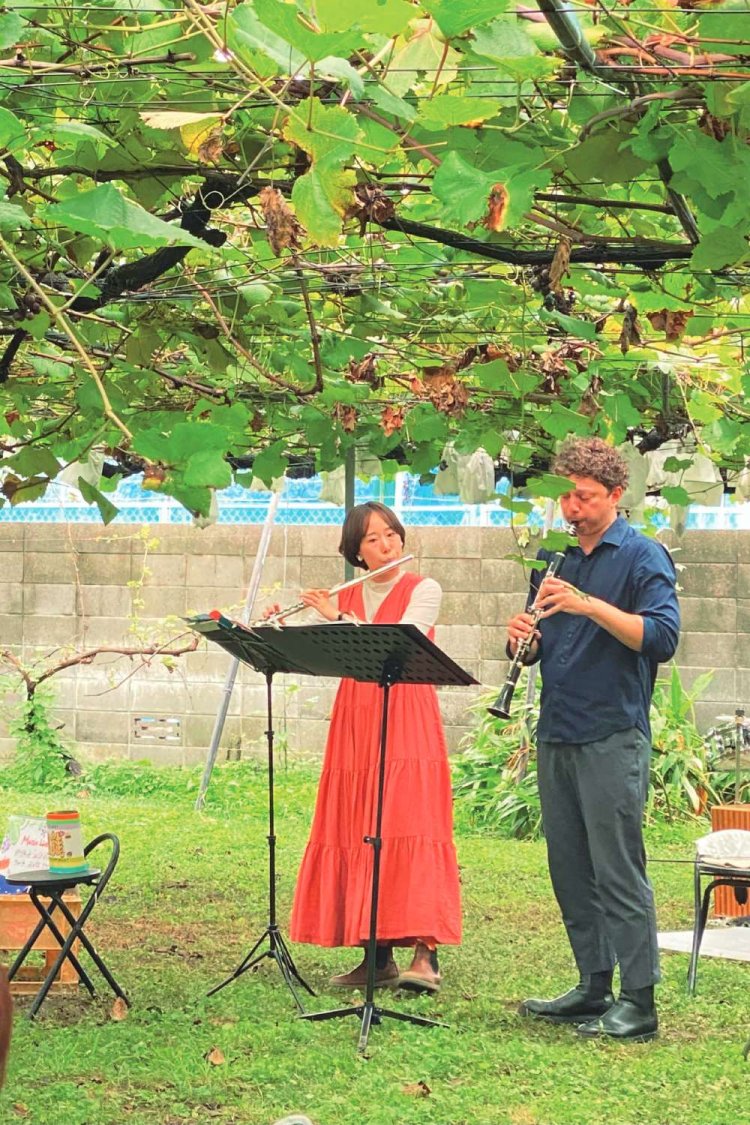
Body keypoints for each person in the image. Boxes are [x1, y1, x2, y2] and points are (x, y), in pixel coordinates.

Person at [506, 438, 680, 1041]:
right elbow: (536, 650)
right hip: (558, 728)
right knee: (571, 868)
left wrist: (588, 605)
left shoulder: (642, 557)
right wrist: (521, 643)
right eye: (565, 497)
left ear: (615, 495)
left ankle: (639, 1000)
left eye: (583, 498)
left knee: (618, 869)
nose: (571, 509)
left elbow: (660, 638)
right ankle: (591, 985)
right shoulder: (555, 559)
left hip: (612, 730)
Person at [287, 501, 461, 993]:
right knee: (361, 823)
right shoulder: (353, 593)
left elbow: (400, 642)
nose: (386, 546)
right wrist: (294, 621)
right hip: (357, 714)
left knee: (410, 820)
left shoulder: (424, 588)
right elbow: (333, 652)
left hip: (406, 712)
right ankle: (375, 952)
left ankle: (425, 953)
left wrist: (337, 615)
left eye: (391, 535)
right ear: (355, 552)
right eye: (372, 540)